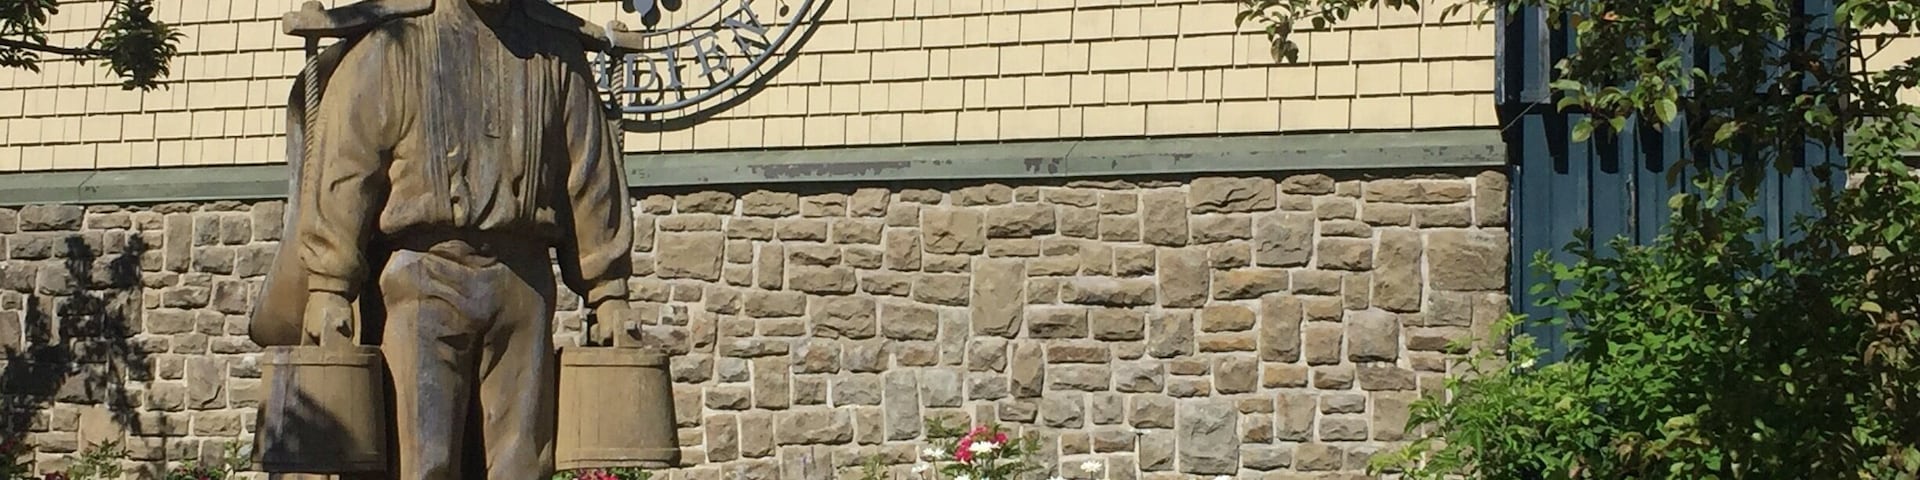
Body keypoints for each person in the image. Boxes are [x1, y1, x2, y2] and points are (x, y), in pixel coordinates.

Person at [253, 0, 638, 478]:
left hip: (524, 282)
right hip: (423, 277)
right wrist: (329, 286)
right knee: (421, 457)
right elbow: (344, 173)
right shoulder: (393, 46)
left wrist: (609, 292)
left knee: (524, 460)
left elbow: (590, 178)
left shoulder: (557, 55)